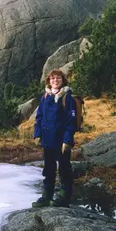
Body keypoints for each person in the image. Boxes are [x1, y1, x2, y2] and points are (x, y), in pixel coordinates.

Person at [32, 69, 77, 208]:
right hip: (48, 140)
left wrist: (67, 140)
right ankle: (47, 196)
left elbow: (71, 121)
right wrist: (37, 134)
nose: (55, 80)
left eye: (58, 78)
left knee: (64, 169)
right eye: (52, 78)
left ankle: (64, 197)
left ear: (62, 80)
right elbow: (39, 117)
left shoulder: (67, 97)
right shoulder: (45, 96)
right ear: (48, 81)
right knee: (49, 168)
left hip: (61, 141)